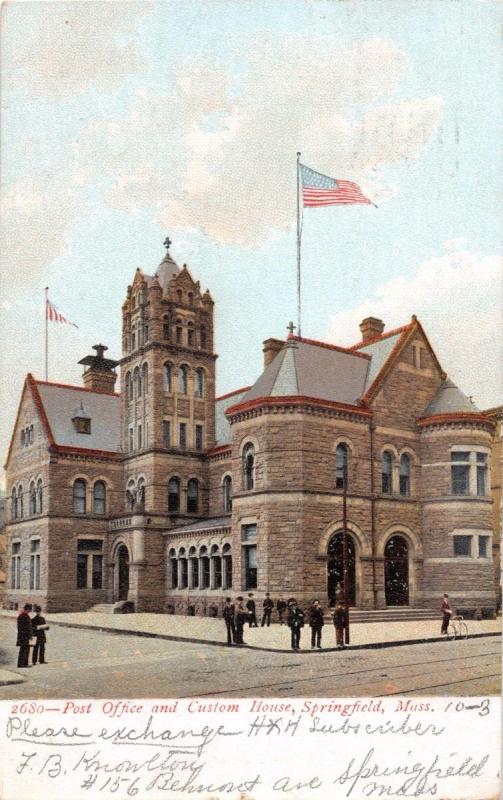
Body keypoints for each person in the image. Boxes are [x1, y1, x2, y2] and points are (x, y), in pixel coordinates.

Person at [16, 603, 33, 668]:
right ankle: (22, 664)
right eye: (29, 610)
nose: (29, 612)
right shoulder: (25, 616)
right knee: (25, 650)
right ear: (27, 610)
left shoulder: (21, 615)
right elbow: (27, 627)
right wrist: (30, 635)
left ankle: (22, 664)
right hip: (25, 636)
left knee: (23, 650)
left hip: (22, 636)